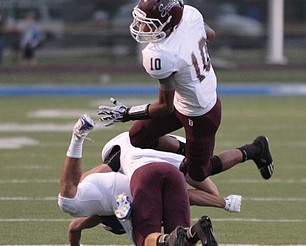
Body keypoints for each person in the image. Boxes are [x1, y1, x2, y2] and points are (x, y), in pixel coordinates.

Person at [98, 0, 274, 184]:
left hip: (200, 112)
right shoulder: (190, 15)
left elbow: (164, 107)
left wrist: (128, 113)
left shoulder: (161, 54)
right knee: (138, 137)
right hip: (182, 99)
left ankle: (254, 149)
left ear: (167, 22)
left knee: (198, 173)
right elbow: (210, 35)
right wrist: (191, 36)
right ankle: (186, 150)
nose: (141, 27)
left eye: (148, 22)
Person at [58, 114, 220, 246]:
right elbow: (75, 224)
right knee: (176, 240)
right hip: (174, 166)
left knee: (147, 245)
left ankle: (77, 139)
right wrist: (223, 202)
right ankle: (195, 230)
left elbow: (76, 223)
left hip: (151, 168)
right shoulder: (117, 176)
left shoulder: (122, 158)